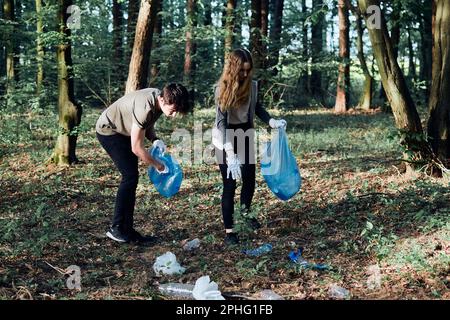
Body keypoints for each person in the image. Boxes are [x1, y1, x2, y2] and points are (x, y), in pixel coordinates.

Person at [96, 83, 191, 244]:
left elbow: (147, 124)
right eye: (173, 110)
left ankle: (127, 230)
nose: (174, 115)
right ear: (162, 99)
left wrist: (154, 139)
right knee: (130, 176)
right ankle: (117, 227)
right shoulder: (145, 108)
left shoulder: (158, 98)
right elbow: (137, 148)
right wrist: (159, 165)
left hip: (124, 130)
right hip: (109, 130)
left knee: (132, 177)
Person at [212, 48, 287, 245]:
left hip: (245, 132)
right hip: (225, 136)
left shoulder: (252, 85)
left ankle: (245, 213)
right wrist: (229, 152)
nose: (245, 74)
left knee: (249, 178)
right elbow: (221, 123)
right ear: (233, 69)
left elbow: (256, 107)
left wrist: (271, 121)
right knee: (230, 183)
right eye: (242, 71)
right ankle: (230, 231)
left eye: (248, 70)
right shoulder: (222, 88)